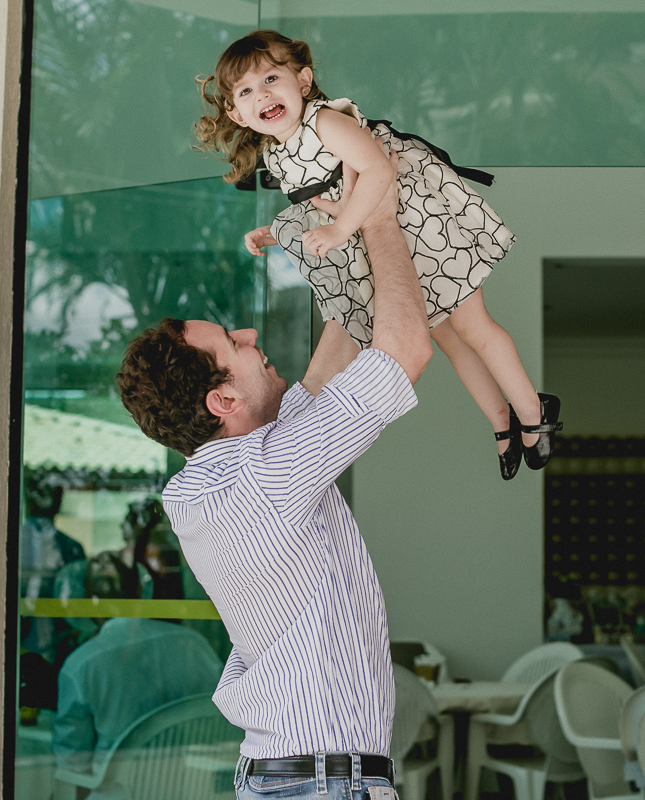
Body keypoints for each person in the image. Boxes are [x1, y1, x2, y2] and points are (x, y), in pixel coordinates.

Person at [114, 170, 432, 800]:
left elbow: (334, 370)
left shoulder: (230, 475)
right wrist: (382, 215)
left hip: (301, 778)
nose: (252, 335)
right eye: (233, 342)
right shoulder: (270, 473)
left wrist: (350, 220)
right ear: (222, 398)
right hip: (324, 784)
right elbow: (406, 350)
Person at [193, 29, 561, 481]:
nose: (262, 94)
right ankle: (501, 421)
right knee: (446, 338)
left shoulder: (326, 122)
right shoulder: (279, 150)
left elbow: (377, 169)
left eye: (271, 78)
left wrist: (344, 226)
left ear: (303, 81)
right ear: (236, 112)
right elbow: (318, 201)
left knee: (472, 326)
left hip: (417, 226)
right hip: (389, 241)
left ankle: (534, 409)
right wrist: (278, 232)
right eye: (247, 91)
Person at [52, 552, 223, 794]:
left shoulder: (80, 666)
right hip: (193, 790)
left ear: (87, 601)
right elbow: (222, 721)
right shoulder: (192, 644)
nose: (103, 561)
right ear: (140, 593)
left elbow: (72, 764)